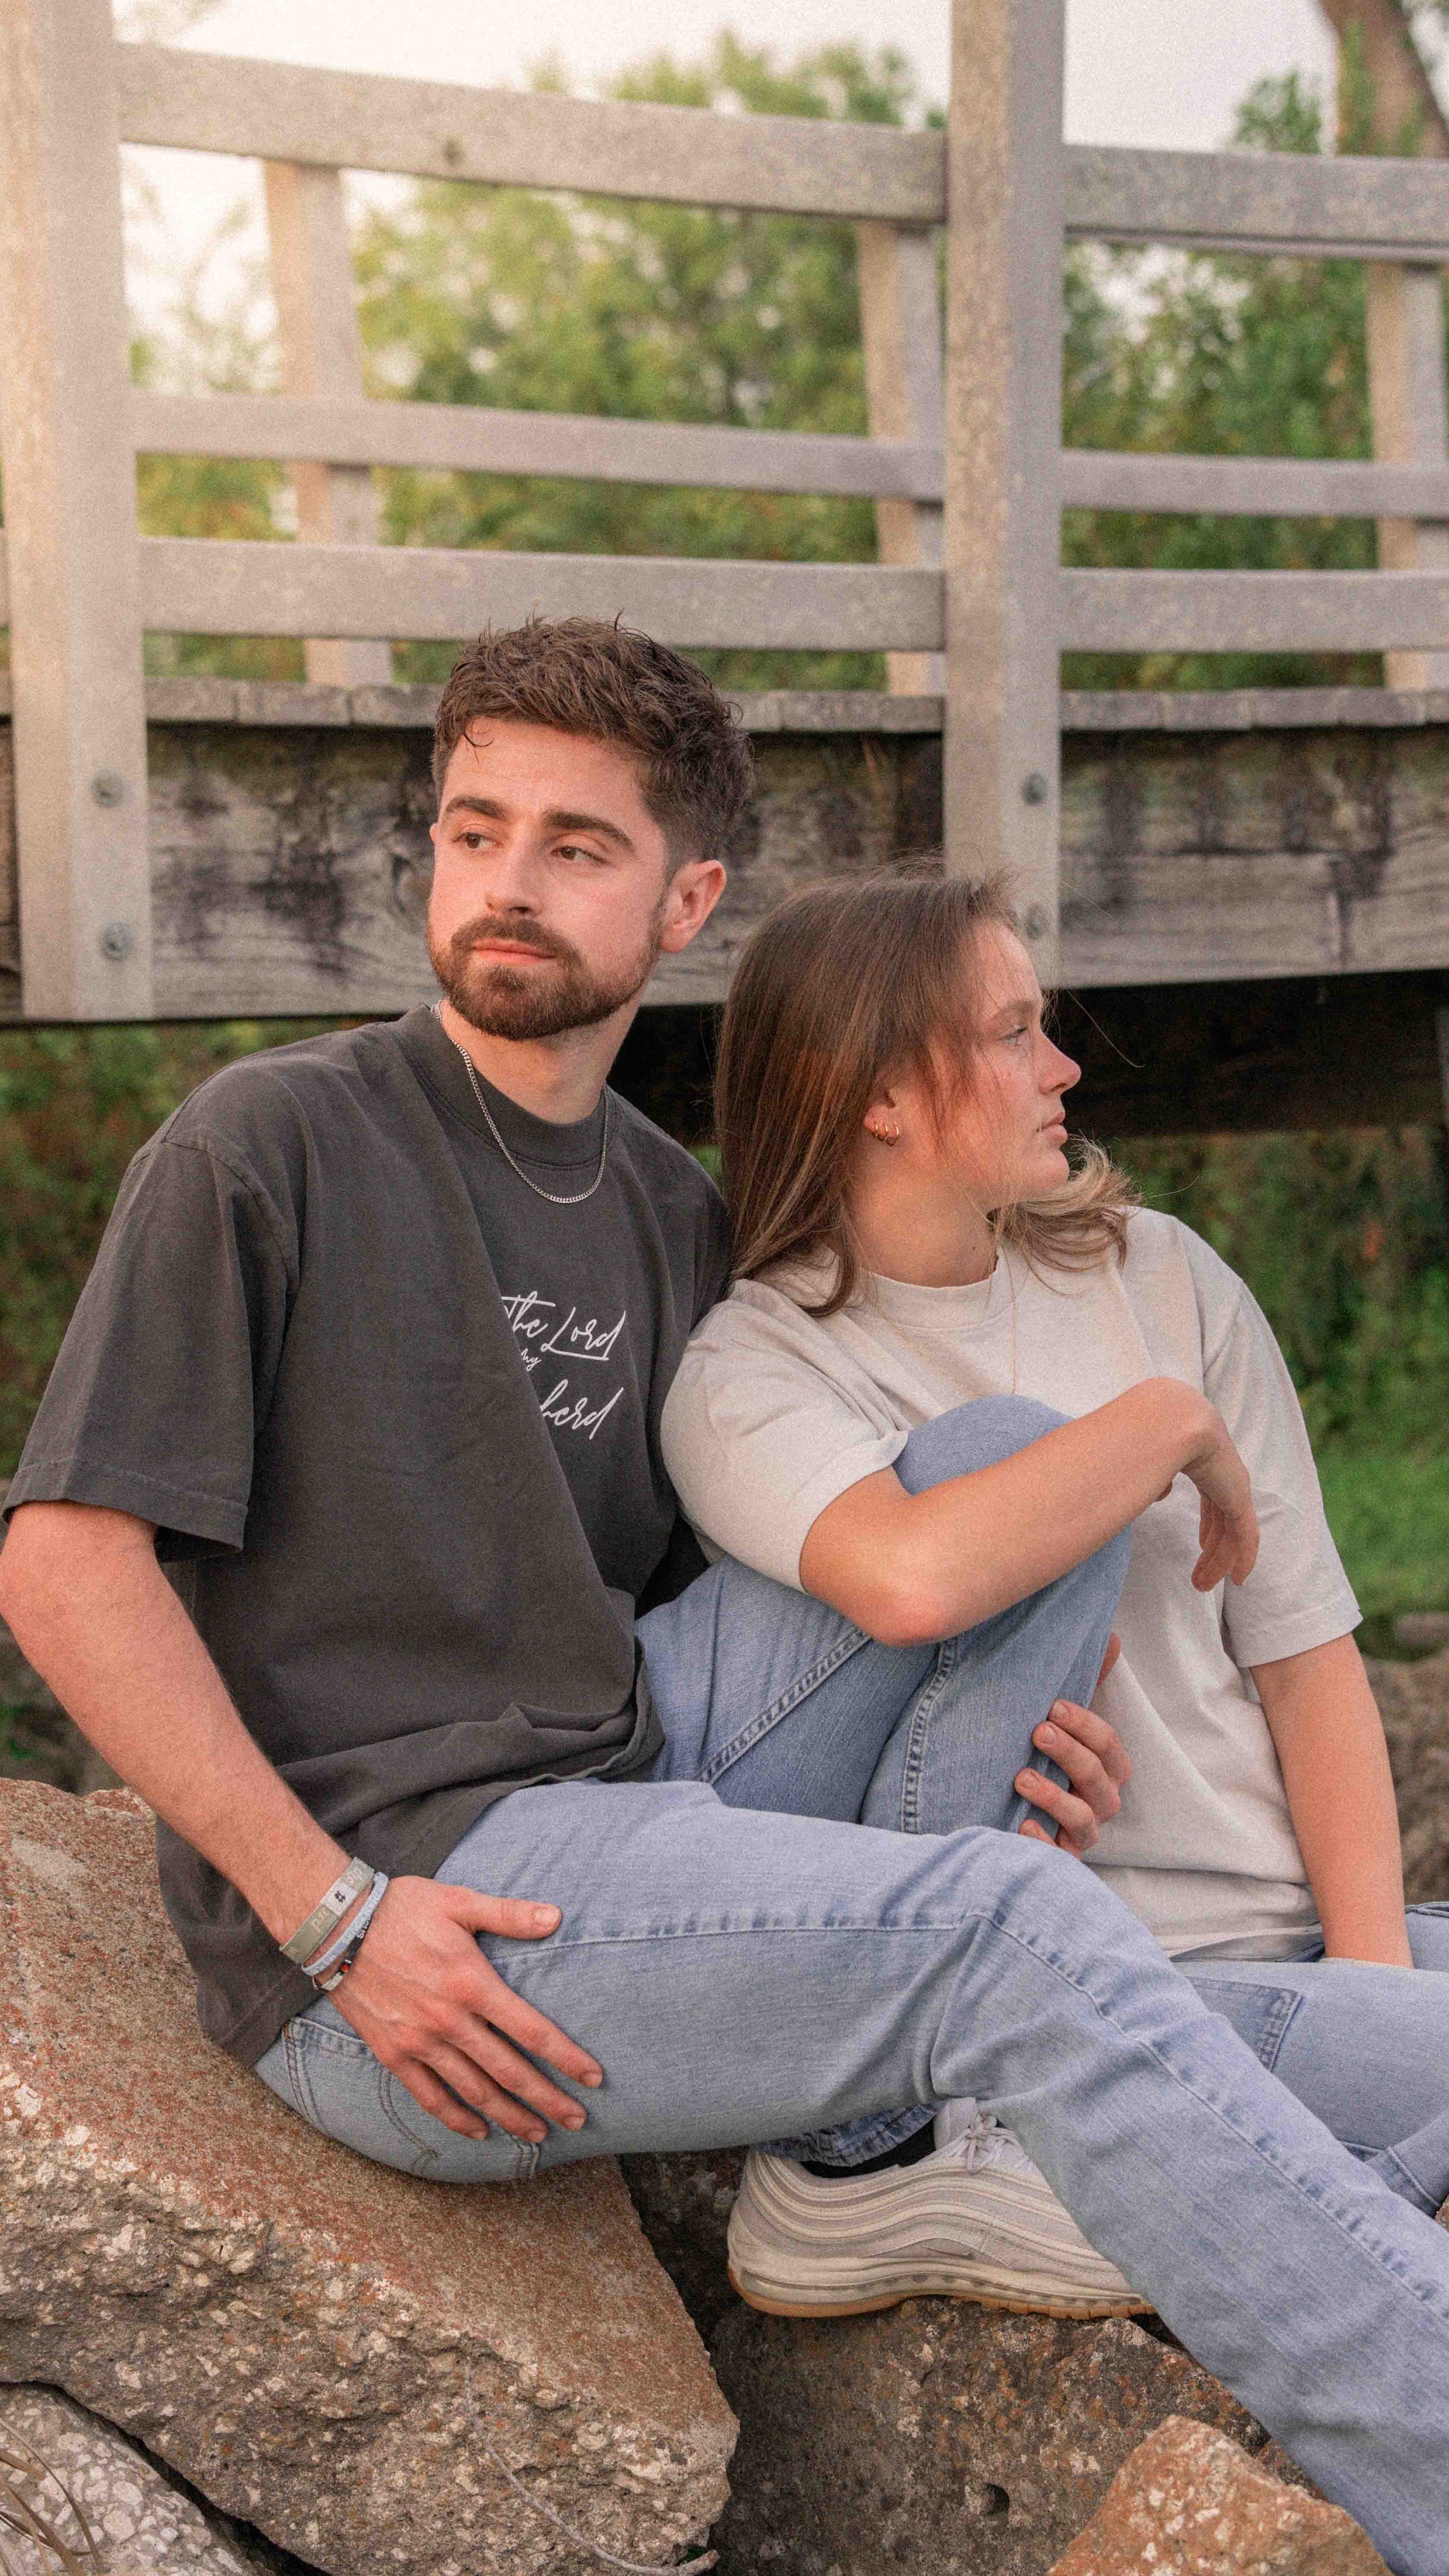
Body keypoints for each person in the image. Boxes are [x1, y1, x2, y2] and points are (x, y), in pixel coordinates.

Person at [1, 622, 1448, 2575]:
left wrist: (1002, 1732)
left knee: (991, 1455)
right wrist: (329, 1911)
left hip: (638, 1786)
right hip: (425, 1904)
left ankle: (896, 2132)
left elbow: (855, 1615)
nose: (507, 881)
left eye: (575, 845)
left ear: (685, 901)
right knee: (1015, 1929)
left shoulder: (672, 1215)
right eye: (474, 829)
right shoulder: (274, 1139)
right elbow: (64, 1564)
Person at [661, 863, 1449, 2308]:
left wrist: (1370, 1978)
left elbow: (1303, 1653)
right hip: (1103, 1976)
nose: (1065, 1066)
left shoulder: (1163, 1276)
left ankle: (1304, 2172)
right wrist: (1159, 1426)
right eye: (1012, 1031)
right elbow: (911, 1585)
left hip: (1294, 1929)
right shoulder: (753, 1374)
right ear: (876, 1092)